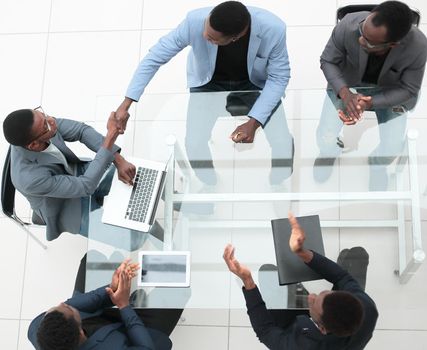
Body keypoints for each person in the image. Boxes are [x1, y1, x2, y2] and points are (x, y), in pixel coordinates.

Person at [115, 1, 291, 145]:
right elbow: (155, 57)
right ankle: (207, 183)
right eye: (206, 29)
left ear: (234, 38)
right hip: (208, 83)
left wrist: (254, 122)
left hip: (254, 83)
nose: (204, 34)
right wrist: (126, 103)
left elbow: (279, 77)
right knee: (193, 143)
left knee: (282, 141)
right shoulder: (195, 21)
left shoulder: (274, 29)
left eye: (211, 38)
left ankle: (279, 183)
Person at [223, 213, 378, 349]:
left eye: (313, 303)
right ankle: (344, 266)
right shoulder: (368, 309)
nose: (311, 296)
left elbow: (265, 331)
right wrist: (302, 252)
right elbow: (342, 277)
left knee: (268, 273)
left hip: (297, 328)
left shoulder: (299, 346)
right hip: (341, 320)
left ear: (322, 329)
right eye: (323, 294)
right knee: (357, 255)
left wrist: (247, 280)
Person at [314, 1, 427, 187]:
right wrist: (344, 93)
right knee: (325, 133)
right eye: (362, 32)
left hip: (390, 91)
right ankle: (329, 152)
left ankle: (377, 164)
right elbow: (328, 60)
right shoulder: (349, 24)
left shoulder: (418, 46)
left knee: (392, 147)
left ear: (393, 45)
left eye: (368, 42)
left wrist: (369, 102)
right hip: (347, 83)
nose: (360, 40)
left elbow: (409, 89)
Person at [2, 107, 136, 241]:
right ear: (34, 144)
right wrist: (111, 136)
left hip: (78, 174)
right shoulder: (29, 179)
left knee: (137, 175)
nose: (52, 121)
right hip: (68, 208)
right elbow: (86, 186)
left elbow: (81, 131)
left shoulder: (41, 123)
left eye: (44, 114)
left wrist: (119, 161)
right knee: (133, 240)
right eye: (46, 125)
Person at [28, 259, 180, 349]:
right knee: (178, 287)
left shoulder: (37, 327)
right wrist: (124, 306)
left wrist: (111, 288)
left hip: (101, 317)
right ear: (81, 332)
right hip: (133, 334)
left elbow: (75, 305)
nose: (64, 303)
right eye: (68, 308)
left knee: (91, 259)